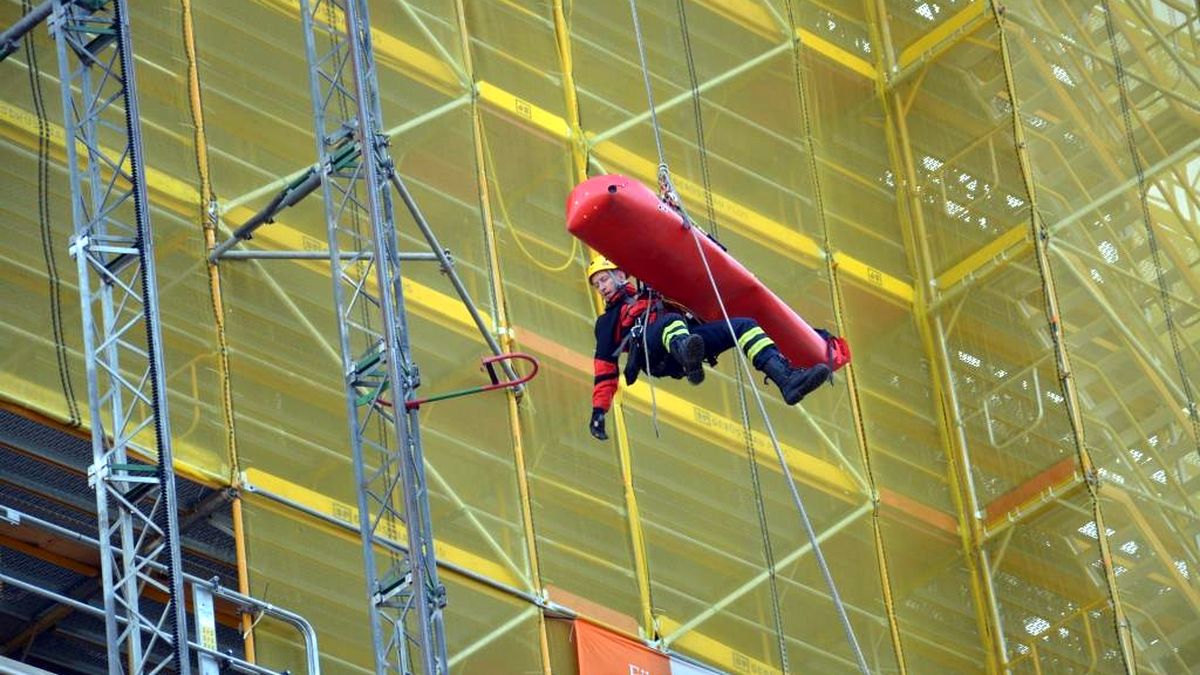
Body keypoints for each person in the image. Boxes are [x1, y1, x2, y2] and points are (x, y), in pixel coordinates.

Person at [586, 256, 831, 441]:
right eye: (597, 285)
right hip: (654, 355)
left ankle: (787, 381)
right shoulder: (607, 321)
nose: (602, 288)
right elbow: (605, 367)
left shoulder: (650, 290)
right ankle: (686, 356)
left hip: (686, 340)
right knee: (671, 323)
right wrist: (599, 409)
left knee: (745, 326)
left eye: (604, 279)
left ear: (620, 274)